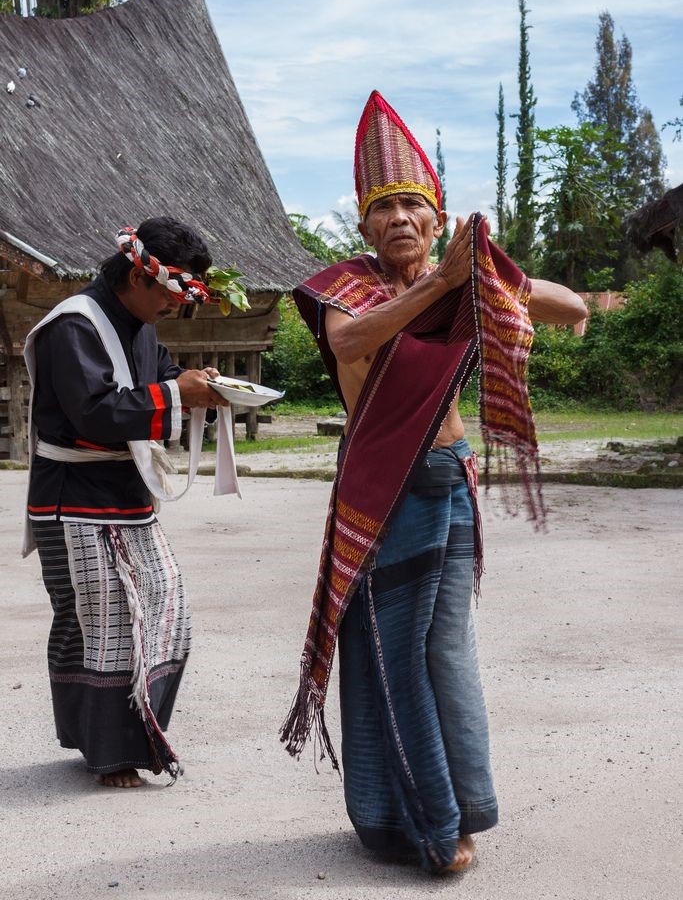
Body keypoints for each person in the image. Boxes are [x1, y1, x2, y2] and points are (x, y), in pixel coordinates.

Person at [281, 91, 587, 873]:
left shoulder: (458, 284)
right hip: (386, 484)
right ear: (362, 228)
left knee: (445, 651)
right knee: (396, 653)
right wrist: (439, 284)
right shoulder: (340, 289)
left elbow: (569, 306)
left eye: (413, 206)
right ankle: (423, 824)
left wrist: (491, 276)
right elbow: (352, 338)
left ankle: (462, 806)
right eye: (383, 211)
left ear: (436, 216)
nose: (399, 221)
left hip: (449, 476)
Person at [23, 216, 235, 788]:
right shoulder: (73, 325)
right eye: (172, 293)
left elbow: (160, 378)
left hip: (124, 495)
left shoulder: (139, 325)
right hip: (72, 500)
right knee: (104, 625)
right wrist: (174, 393)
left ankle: (107, 739)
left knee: (165, 611)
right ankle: (110, 754)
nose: (175, 306)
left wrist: (196, 384)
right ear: (140, 275)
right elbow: (93, 413)